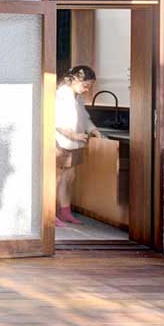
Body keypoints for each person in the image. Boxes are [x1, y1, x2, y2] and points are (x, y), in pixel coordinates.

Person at [55, 65, 101, 228]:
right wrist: (74, 135)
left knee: (69, 178)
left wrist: (93, 129)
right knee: (55, 179)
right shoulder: (60, 95)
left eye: (90, 86)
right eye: (85, 85)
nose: (87, 89)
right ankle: (49, 213)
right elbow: (56, 121)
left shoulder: (77, 97)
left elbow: (84, 117)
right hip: (60, 142)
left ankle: (65, 211)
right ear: (75, 79)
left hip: (75, 143)